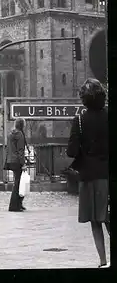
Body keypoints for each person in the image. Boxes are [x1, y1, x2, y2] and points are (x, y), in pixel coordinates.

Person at [67, 78, 109, 268]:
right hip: (108, 174)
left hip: (89, 176)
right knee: (108, 216)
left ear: (83, 99)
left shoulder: (80, 121)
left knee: (95, 220)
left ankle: (103, 260)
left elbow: (71, 151)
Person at [4, 117, 28, 212]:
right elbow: (20, 151)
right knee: (18, 183)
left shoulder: (11, 134)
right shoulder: (20, 135)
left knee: (17, 182)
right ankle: (14, 206)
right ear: (22, 125)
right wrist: (23, 163)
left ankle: (18, 204)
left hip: (11, 160)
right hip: (17, 161)